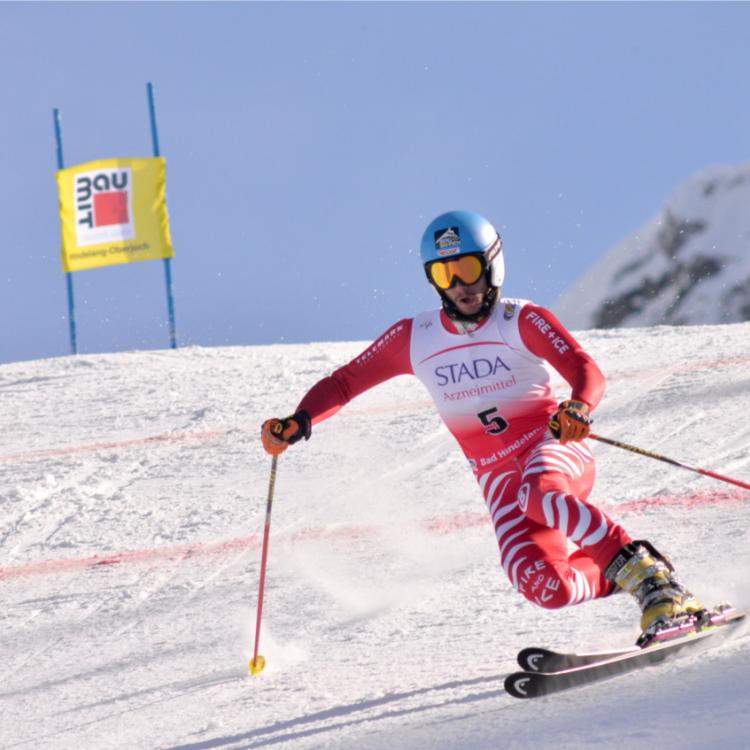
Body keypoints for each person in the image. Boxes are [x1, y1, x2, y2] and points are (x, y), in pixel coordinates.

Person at [261, 209, 705, 645]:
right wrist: (299, 420)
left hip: (552, 447)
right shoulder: (414, 338)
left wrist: (578, 407)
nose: (459, 285)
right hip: (496, 477)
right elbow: (345, 382)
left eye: (468, 268)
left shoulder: (520, 319)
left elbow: (584, 367)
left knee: (541, 493)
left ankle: (655, 585)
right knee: (546, 586)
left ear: (492, 265)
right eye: (444, 275)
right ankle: (632, 567)